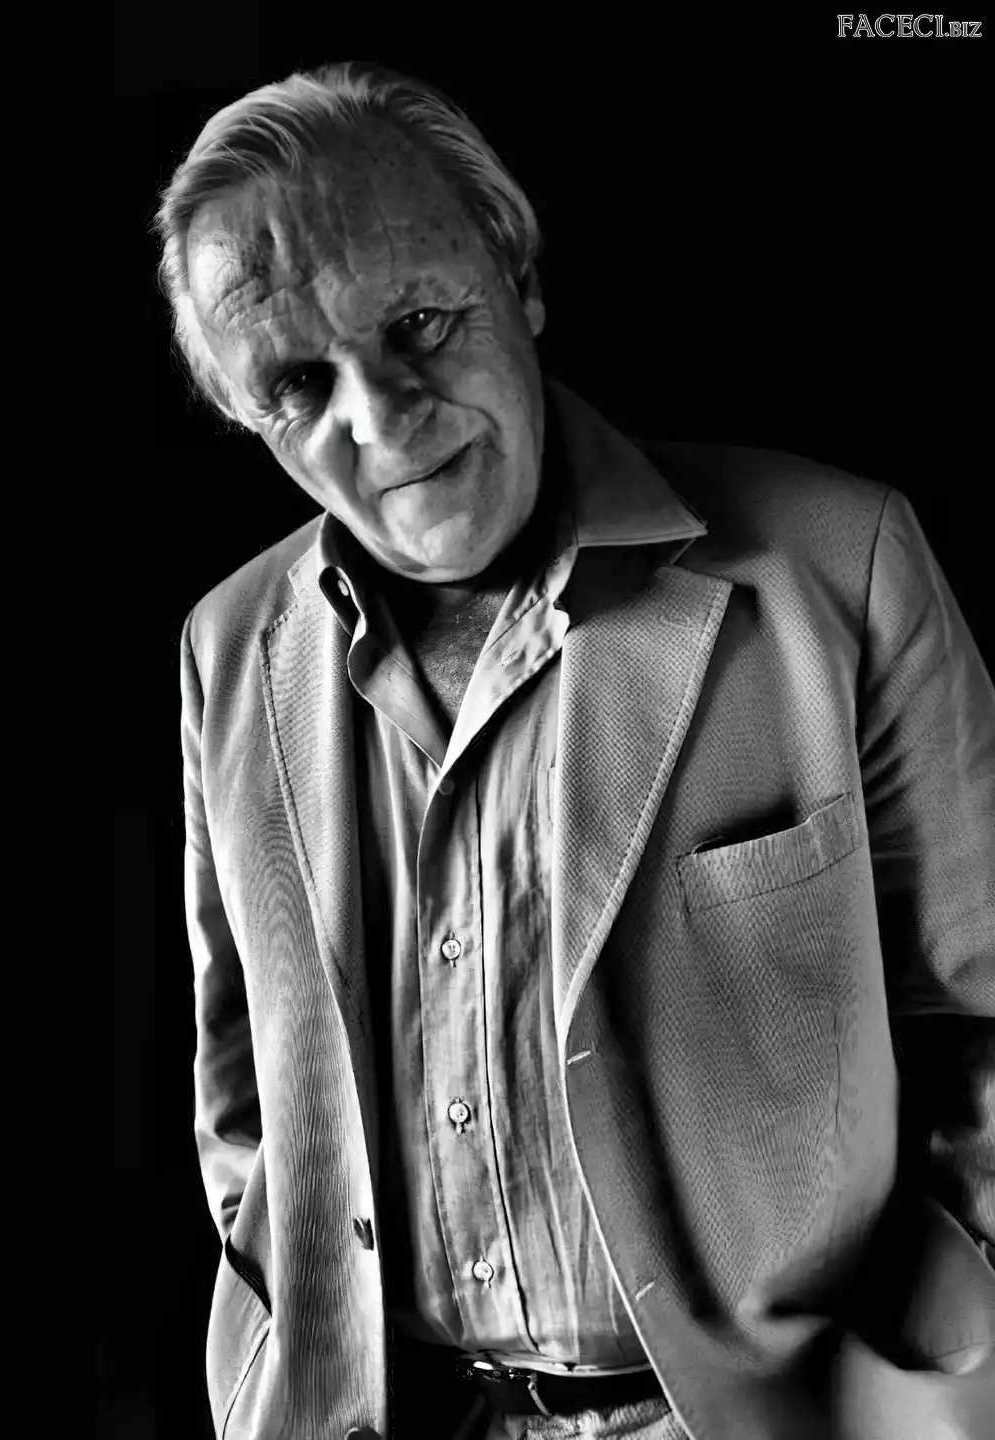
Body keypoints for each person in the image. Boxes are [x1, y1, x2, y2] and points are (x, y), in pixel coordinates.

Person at [160, 61, 995, 1440]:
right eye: (298, 384)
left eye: (417, 324)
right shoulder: (226, 647)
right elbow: (243, 1092)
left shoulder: (841, 566)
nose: (381, 417)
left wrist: (914, 1399)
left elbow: (980, 1029)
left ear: (521, 276)